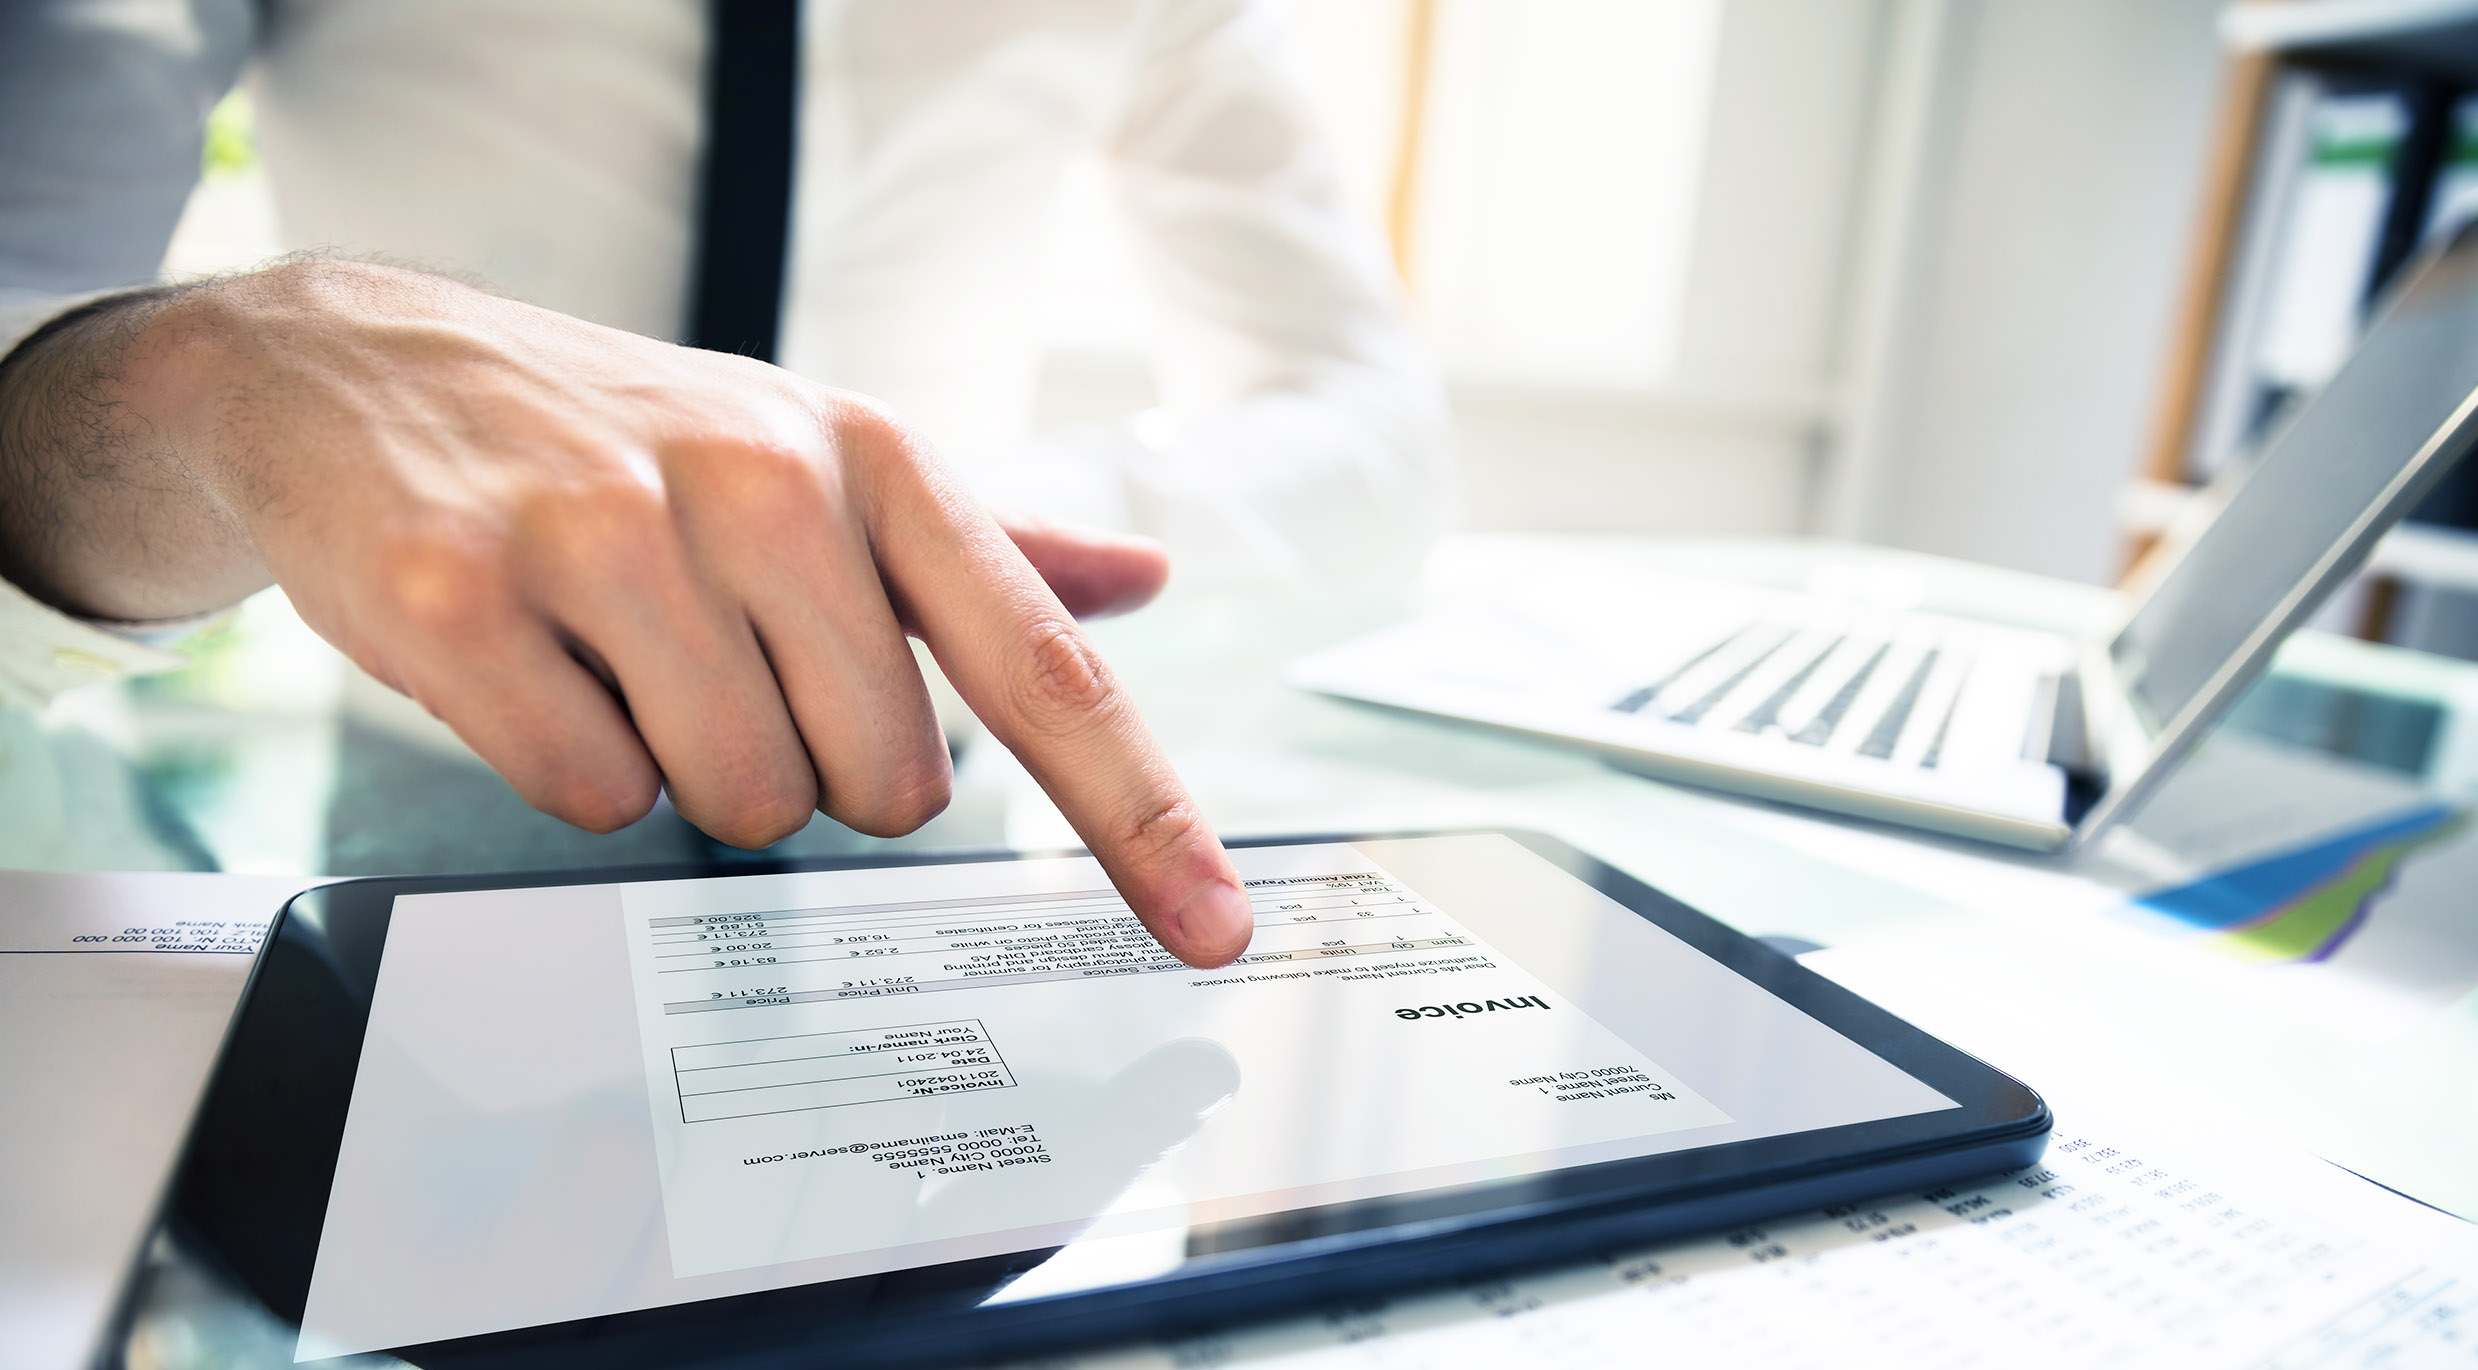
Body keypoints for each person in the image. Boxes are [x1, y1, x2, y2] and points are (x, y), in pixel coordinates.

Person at [0, 0, 1453, 969]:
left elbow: (1370, 422)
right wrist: (217, 369)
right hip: (429, 801)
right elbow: (24, 297)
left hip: (942, 818)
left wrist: (930, 533)